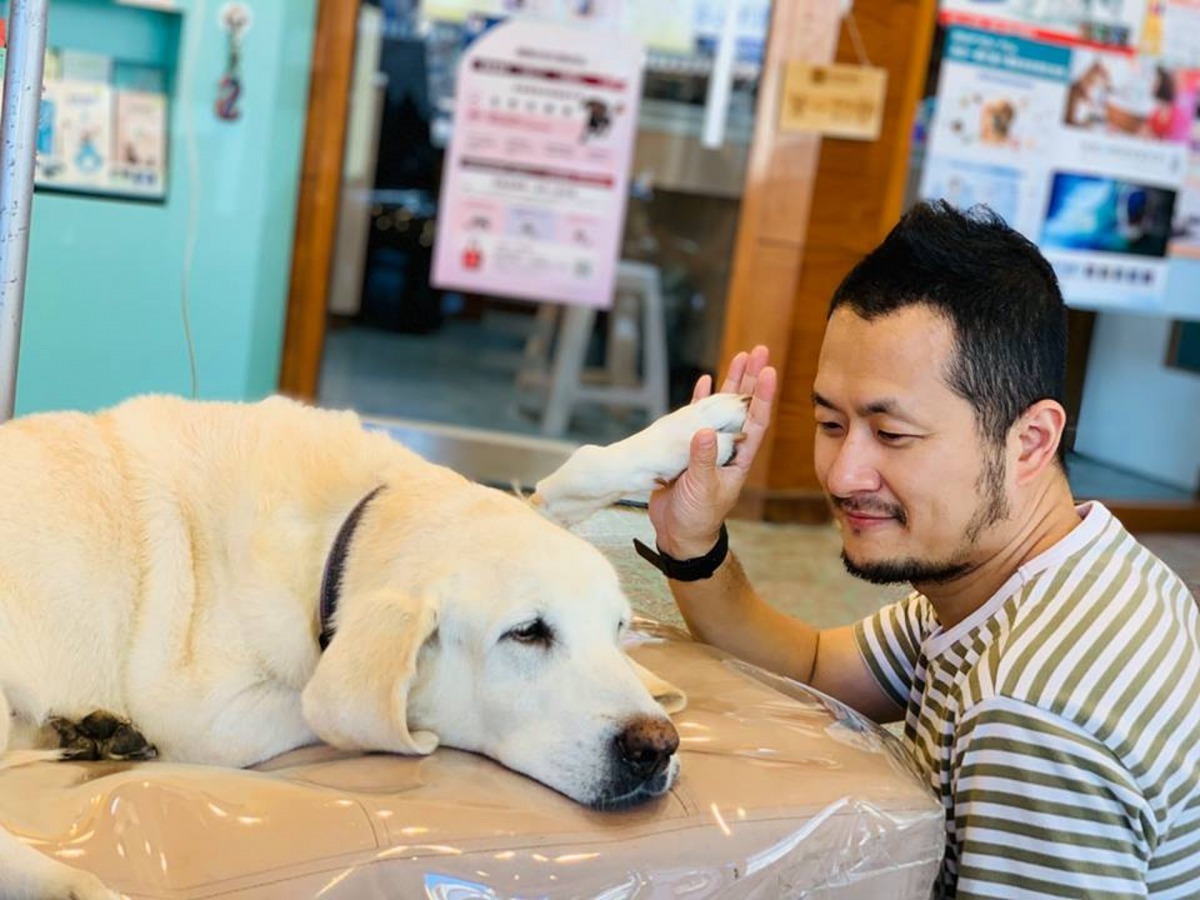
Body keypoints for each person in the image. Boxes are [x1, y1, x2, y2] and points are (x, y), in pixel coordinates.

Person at [643, 201, 1200, 898]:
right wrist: (691, 540)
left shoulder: (1028, 716)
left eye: (892, 434)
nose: (843, 474)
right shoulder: (1039, 571)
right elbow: (814, 667)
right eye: (829, 421)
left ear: (1030, 440)